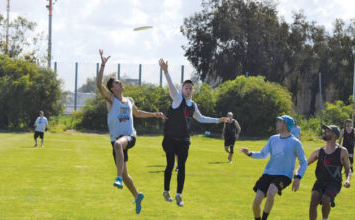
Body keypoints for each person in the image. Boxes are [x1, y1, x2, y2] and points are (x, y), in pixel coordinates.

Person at [96, 49, 167, 214]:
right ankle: (137, 196)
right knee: (126, 174)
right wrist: (103, 65)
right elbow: (99, 84)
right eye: (117, 83)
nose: (121, 84)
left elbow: (138, 113)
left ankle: (118, 178)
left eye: (120, 82)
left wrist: (154, 114)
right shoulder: (110, 100)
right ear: (113, 89)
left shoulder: (129, 100)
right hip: (116, 140)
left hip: (129, 136)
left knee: (119, 147)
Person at [158, 58, 228, 207]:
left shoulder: (193, 105)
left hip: (184, 139)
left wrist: (218, 120)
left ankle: (178, 195)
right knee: (170, 164)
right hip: (170, 138)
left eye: (190, 88)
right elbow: (171, 87)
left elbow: (201, 119)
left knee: (182, 166)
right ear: (182, 89)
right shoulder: (177, 99)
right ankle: (166, 191)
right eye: (186, 88)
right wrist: (166, 72)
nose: (188, 90)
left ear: (193, 90)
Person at [240, 115, 307, 220]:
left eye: (279, 121)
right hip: (268, 173)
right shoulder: (273, 139)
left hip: (284, 175)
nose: (276, 123)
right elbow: (262, 154)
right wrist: (249, 153)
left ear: (285, 125)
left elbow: (303, 162)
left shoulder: (295, 142)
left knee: (271, 191)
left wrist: (298, 177)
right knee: (255, 204)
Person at [299, 125, 351, 220]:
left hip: (334, 183)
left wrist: (347, 180)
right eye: (325, 130)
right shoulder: (318, 151)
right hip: (320, 181)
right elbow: (305, 163)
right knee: (313, 202)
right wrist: (297, 171)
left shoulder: (342, 151)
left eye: (328, 131)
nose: (325, 132)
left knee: (326, 199)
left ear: (335, 135)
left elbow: (348, 169)